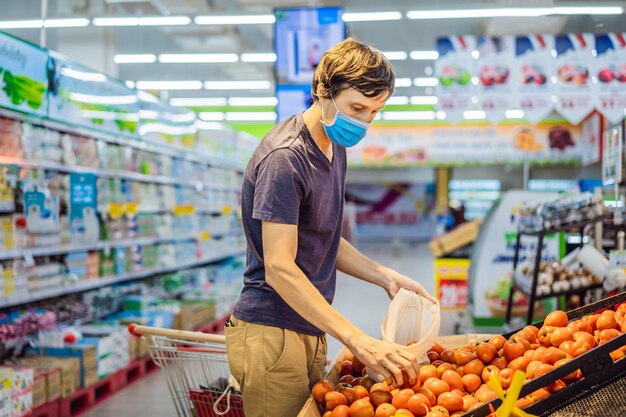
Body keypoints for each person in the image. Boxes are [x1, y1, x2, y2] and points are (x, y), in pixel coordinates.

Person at [224, 37, 436, 417]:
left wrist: (384, 275)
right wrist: (356, 338)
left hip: (310, 323)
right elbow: (279, 267)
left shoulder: (333, 148)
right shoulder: (285, 159)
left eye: (375, 112)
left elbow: (324, 237)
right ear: (322, 89)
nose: (364, 122)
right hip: (274, 330)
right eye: (357, 107)